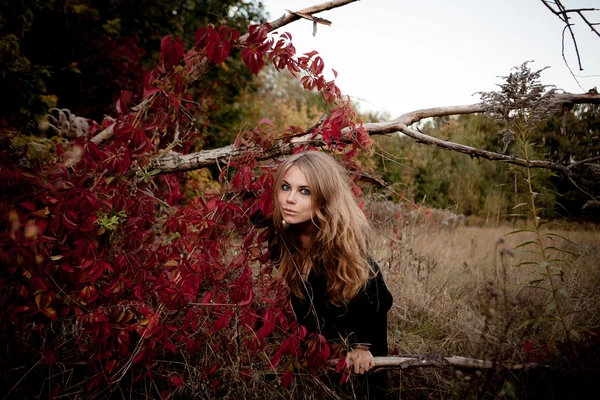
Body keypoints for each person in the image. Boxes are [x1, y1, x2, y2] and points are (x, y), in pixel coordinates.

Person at [270, 150, 393, 398]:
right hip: (314, 369)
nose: (289, 199)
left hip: (357, 373)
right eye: (285, 187)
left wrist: (361, 346)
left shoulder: (344, 250)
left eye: (305, 191)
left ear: (324, 199)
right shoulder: (285, 239)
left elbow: (378, 302)